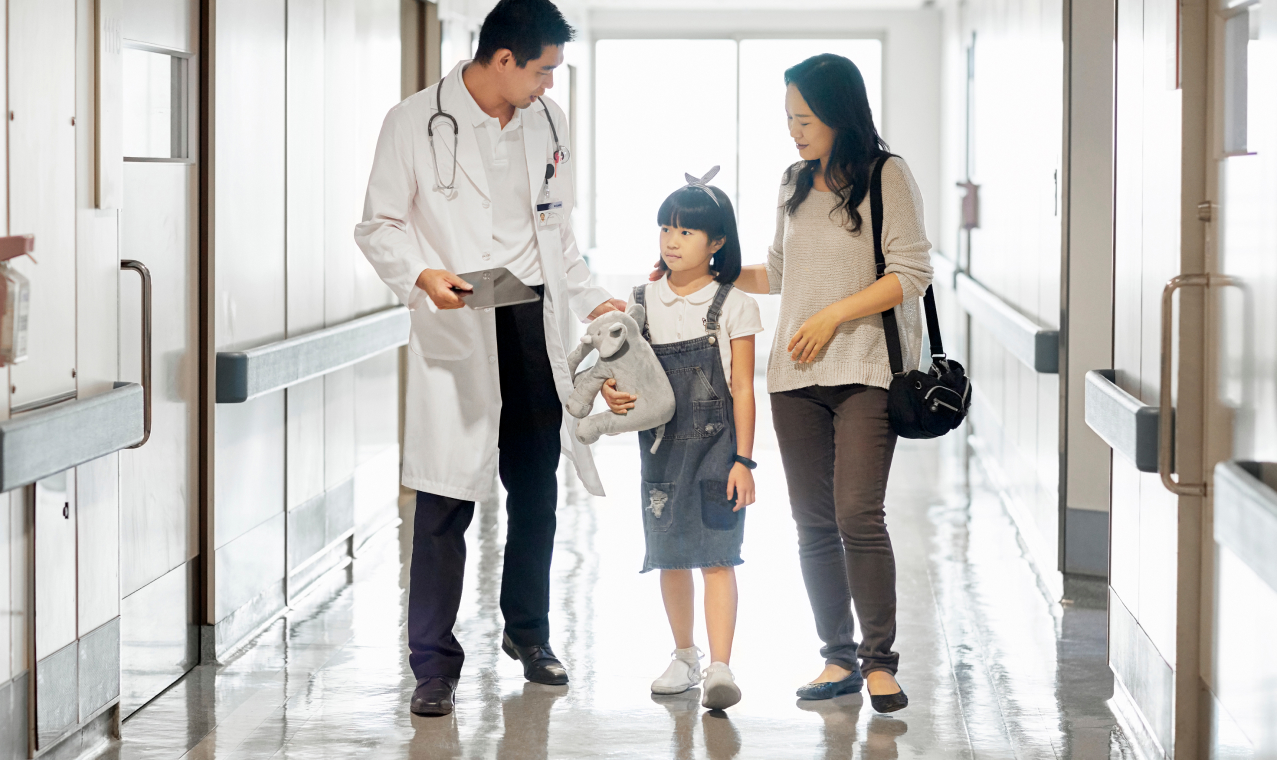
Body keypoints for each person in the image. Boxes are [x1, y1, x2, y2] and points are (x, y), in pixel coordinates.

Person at [354, 0, 623, 718]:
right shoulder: (414, 121)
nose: (549, 86)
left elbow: (559, 235)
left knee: (535, 492)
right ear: (503, 59)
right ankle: (434, 666)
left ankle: (529, 635)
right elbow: (377, 223)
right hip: (460, 315)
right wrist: (418, 274)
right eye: (542, 71)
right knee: (444, 498)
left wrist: (594, 299)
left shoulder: (548, 123)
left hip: (533, 316)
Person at [740, 53, 931, 713]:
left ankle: (880, 664)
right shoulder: (793, 179)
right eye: (789, 119)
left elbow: (910, 272)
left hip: (865, 371)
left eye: (806, 118)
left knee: (857, 514)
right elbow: (776, 272)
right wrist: (709, 269)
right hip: (793, 376)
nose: (795, 130)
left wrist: (832, 315)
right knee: (813, 522)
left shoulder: (886, 174)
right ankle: (836, 658)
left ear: (840, 114)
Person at [615, 170, 762, 711]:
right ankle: (685, 656)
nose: (672, 241)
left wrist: (745, 460)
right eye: (665, 229)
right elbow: (623, 373)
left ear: (716, 242)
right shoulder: (639, 301)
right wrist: (612, 393)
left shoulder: (733, 304)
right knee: (670, 555)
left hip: (718, 452)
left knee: (719, 556)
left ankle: (721, 668)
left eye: (686, 232)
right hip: (659, 450)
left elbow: (743, 389)